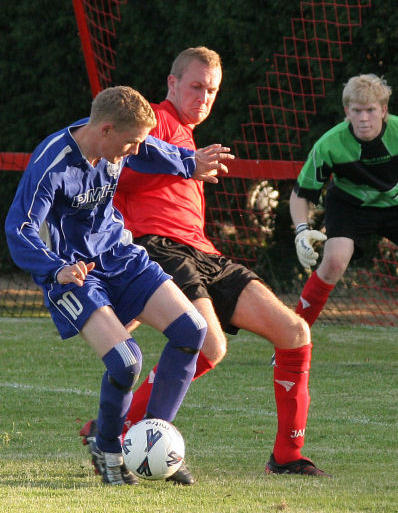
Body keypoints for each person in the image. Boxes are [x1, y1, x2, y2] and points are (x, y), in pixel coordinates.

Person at [80, 47, 329, 479]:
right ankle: (121, 431)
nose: (204, 97)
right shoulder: (151, 120)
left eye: (212, 90)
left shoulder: (189, 135)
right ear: (172, 83)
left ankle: (287, 457)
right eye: (196, 86)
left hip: (204, 253)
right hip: (158, 247)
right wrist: (182, 163)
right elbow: (121, 161)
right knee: (209, 344)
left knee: (294, 332)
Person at [5, 85, 233, 486]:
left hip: (119, 256)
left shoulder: (119, 141)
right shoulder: (53, 163)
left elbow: (146, 148)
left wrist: (188, 161)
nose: (132, 152)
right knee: (126, 362)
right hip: (74, 273)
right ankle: (107, 446)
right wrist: (54, 268)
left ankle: (152, 441)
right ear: (106, 130)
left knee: (192, 330)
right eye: (128, 143)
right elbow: (18, 228)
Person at [291, 73, 398, 326]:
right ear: (346, 111)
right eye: (357, 111)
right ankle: (291, 339)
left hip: (394, 204)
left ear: (383, 110)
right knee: (335, 261)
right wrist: (301, 231)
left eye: (370, 110)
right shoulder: (328, 144)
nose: (363, 118)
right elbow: (301, 193)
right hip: (349, 205)